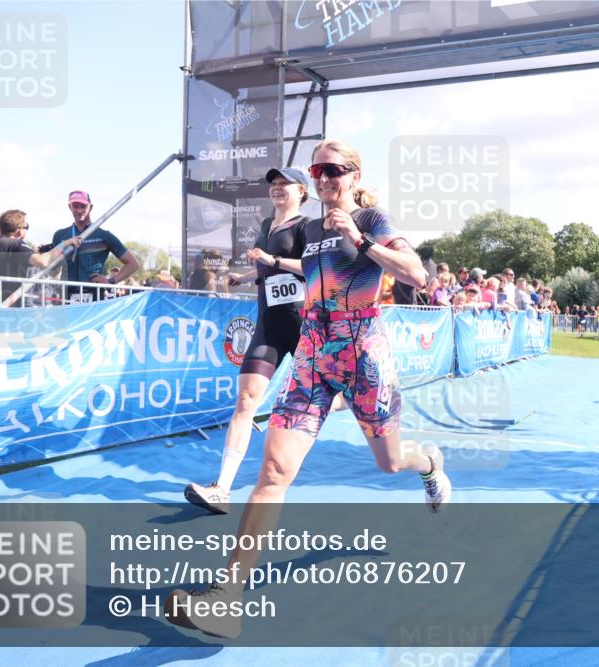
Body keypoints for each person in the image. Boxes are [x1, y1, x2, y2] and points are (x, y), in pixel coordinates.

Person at [166, 140, 450, 638]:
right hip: (314, 356)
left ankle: (427, 462)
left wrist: (361, 242)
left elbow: (416, 275)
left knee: (389, 461)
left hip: (364, 355)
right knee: (274, 469)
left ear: (355, 175)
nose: (321, 179)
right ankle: (227, 597)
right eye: (316, 171)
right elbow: (297, 271)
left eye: (332, 170)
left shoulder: (373, 220)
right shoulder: (311, 227)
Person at [184, 167, 310, 513]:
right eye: (273, 184)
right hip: (268, 326)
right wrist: (245, 276)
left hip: (304, 327)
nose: (277, 188)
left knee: (334, 397)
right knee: (246, 402)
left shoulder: (306, 227)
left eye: (285, 184)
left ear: (303, 191)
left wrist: (273, 260)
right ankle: (221, 489)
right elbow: (267, 270)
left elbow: (315, 268)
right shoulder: (266, 228)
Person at [0, 210, 81, 306]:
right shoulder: (15, 245)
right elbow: (43, 261)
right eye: (26, 227)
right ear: (19, 231)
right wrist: (64, 243)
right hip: (10, 311)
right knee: (11, 341)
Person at [51, 190, 140, 303]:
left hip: (95, 299)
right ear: (70, 207)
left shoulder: (103, 236)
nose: (79, 210)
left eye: (83, 206)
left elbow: (133, 264)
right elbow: (53, 271)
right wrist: (49, 254)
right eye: (75, 206)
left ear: (90, 207)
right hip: (66, 298)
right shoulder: (60, 235)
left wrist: (111, 281)